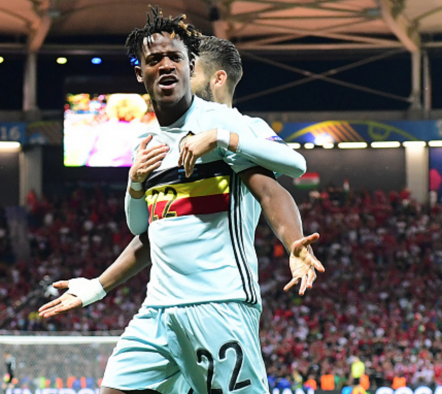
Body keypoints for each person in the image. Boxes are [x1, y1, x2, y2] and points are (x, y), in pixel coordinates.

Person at [40, 8, 323, 394]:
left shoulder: (222, 123)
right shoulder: (146, 146)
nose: (166, 65)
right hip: (158, 310)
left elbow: (273, 188)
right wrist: (134, 186)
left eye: (175, 57)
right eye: (155, 59)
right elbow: (145, 231)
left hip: (218, 304)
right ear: (141, 73)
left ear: (192, 66)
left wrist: (293, 242)